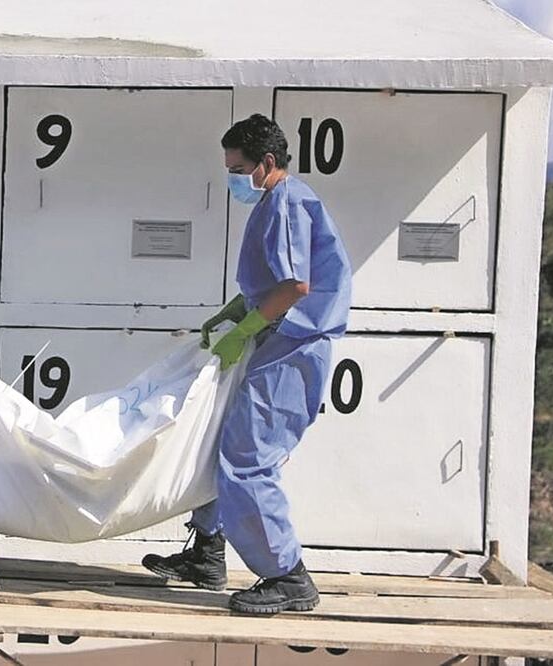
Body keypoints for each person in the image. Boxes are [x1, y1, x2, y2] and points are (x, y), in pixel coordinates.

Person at [142, 114, 352, 614]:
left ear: (267, 164)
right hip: (279, 337)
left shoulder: (286, 202)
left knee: (248, 456)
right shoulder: (274, 200)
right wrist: (237, 310)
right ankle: (208, 552)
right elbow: (270, 281)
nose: (232, 177)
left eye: (236, 168)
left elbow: (294, 286)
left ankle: (287, 575)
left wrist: (243, 330)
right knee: (221, 436)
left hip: (294, 346)